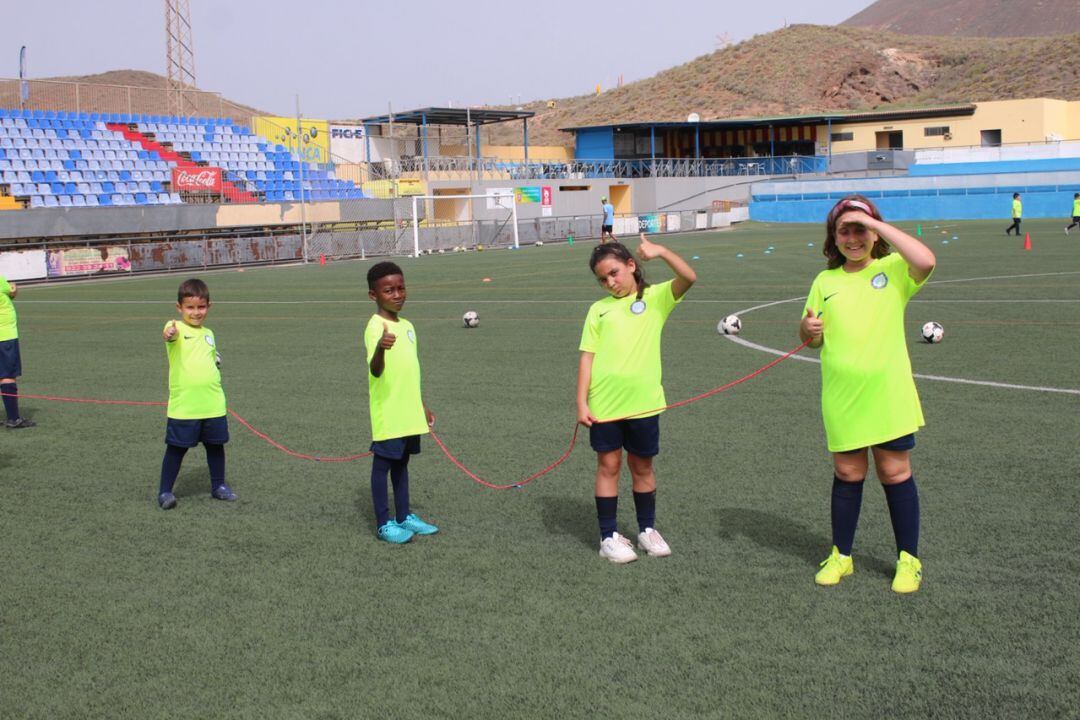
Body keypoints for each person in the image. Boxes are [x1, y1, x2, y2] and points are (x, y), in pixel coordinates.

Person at [799, 195, 936, 594]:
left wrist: (874, 223)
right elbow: (808, 338)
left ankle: (908, 560)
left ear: (875, 234)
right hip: (842, 395)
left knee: (894, 472)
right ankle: (842, 555)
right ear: (834, 237)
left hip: (887, 393)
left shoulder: (893, 269)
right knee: (847, 473)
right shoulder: (825, 281)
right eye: (846, 229)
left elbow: (926, 260)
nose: (854, 238)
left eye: (862, 229)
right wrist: (808, 332)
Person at [577, 233, 696, 563]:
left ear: (631, 265)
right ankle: (608, 536)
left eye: (614, 272)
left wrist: (660, 251)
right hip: (604, 404)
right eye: (603, 279)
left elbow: (689, 277)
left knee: (642, 466)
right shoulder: (598, 311)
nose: (610, 282)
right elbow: (587, 357)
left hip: (644, 402)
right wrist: (581, 402)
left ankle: (646, 530)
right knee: (609, 466)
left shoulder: (656, 298)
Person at [364, 261, 438, 544]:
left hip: (409, 412)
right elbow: (375, 370)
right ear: (374, 295)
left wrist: (422, 405)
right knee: (382, 466)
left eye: (401, 288)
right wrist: (381, 349)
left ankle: (404, 515)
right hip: (389, 413)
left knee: (402, 464)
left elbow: (410, 372)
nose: (397, 295)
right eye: (388, 290)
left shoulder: (407, 326)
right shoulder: (375, 326)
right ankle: (384, 523)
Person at [157, 279, 236, 509]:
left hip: (213, 404)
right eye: (190, 307)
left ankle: (218, 486)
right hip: (185, 407)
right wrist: (170, 332)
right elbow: (168, 336)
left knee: (215, 446)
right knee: (176, 449)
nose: (196, 312)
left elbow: (209, 358)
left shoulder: (209, 333)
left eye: (201, 307)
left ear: (209, 306)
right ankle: (164, 492)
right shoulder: (175, 327)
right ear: (179, 307)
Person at [0, 275, 36, 429]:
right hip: (4, 335)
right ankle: (14, 418)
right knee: (7, 375)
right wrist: (13, 286)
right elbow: (12, 291)